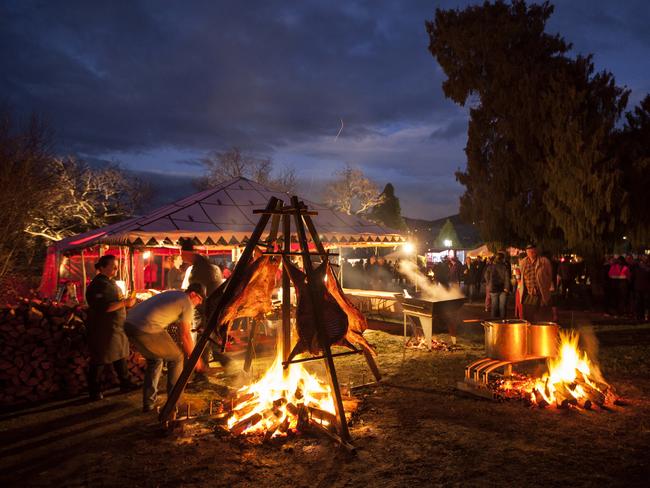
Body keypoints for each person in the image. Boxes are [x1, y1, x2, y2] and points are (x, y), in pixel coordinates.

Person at [125, 283, 207, 412]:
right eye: (200, 299)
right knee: (177, 357)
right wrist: (196, 359)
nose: (200, 303)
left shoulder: (173, 294)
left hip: (129, 324)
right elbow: (185, 335)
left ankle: (149, 403)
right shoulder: (186, 302)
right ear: (192, 294)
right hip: (147, 327)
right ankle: (174, 403)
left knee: (155, 359)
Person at [85, 255, 137, 401]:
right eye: (113, 266)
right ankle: (94, 391)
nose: (116, 268)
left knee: (119, 354)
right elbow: (105, 307)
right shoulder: (98, 285)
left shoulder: (109, 282)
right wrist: (126, 303)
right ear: (102, 267)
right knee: (100, 358)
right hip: (103, 329)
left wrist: (126, 302)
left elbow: (115, 301)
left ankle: (125, 382)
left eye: (117, 265)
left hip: (115, 327)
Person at [520, 244, 554, 322]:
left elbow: (550, 276)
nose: (531, 252)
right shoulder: (523, 262)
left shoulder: (544, 261)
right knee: (528, 317)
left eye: (533, 250)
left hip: (541, 294)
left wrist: (546, 287)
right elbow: (522, 277)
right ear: (526, 252)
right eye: (529, 251)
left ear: (536, 251)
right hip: (528, 294)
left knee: (541, 317)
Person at [485, 252, 510, 318]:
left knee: (494, 306)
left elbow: (486, 276)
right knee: (502, 306)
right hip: (503, 288)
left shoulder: (490, 266)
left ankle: (494, 321)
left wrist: (489, 283)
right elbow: (507, 277)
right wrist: (507, 287)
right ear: (502, 258)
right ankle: (502, 321)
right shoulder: (505, 266)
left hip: (493, 288)